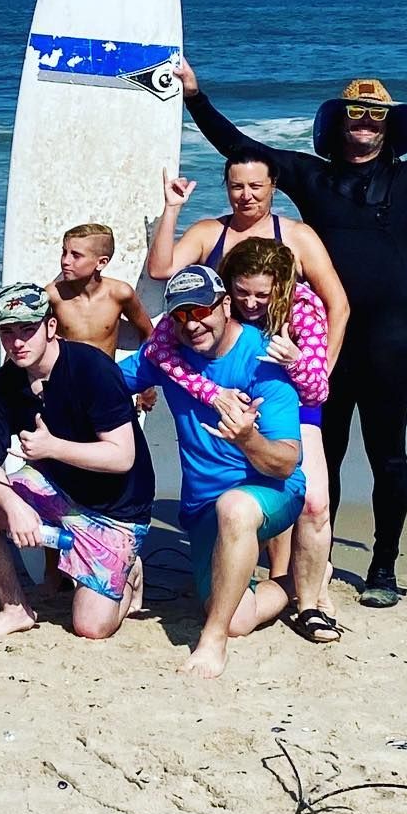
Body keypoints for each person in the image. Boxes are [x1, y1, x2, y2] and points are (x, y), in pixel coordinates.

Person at [176, 60, 407, 607]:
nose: (363, 122)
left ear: (389, 124)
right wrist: (195, 96)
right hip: (321, 347)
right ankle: (310, 570)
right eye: (354, 113)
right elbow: (240, 149)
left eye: (374, 114)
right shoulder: (310, 176)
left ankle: (384, 568)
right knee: (328, 456)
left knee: (389, 454)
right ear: (338, 121)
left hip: (389, 341)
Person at [118, 265, 308, 679]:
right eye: (181, 315)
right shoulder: (168, 358)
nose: (193, 323)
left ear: (225, 306)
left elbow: (287, 462)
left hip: (270, 491)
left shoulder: (263, 359)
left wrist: (246, 439)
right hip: (203, 506)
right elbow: (110, 382)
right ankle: (296, 581)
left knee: (235, 507)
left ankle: (211, 641)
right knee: (241, 618)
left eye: (202, 310)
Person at [0, 283, 155, 643]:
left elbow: (122, 457)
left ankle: (128, 573)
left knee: (91, 628)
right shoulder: (5, 382)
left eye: (27, 329)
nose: (18, 342)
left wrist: (53, 447)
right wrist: (14, 507)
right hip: (57, 493)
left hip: (116, 509)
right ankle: (15, 608)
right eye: (7, 331)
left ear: (50, 327)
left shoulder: (92, 368)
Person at [147, 145, 349, 367]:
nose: (246, 196)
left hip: (279, 361)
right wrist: (172, 208)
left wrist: (321, 370)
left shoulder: (298, 236)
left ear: (273, 186)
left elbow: (338, 304)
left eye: (255, 186)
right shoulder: (208, 232)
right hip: (220, 362)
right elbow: (160, 269)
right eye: (236, 187)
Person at [48, 223, 156, 358]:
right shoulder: (54, 295)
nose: (65, 261)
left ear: (101, 263)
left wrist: (141, 367)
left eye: (76, 255)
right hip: (67, 374)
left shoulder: (119, 294)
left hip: (105, 374)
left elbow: (149, 333)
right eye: (64, 252)